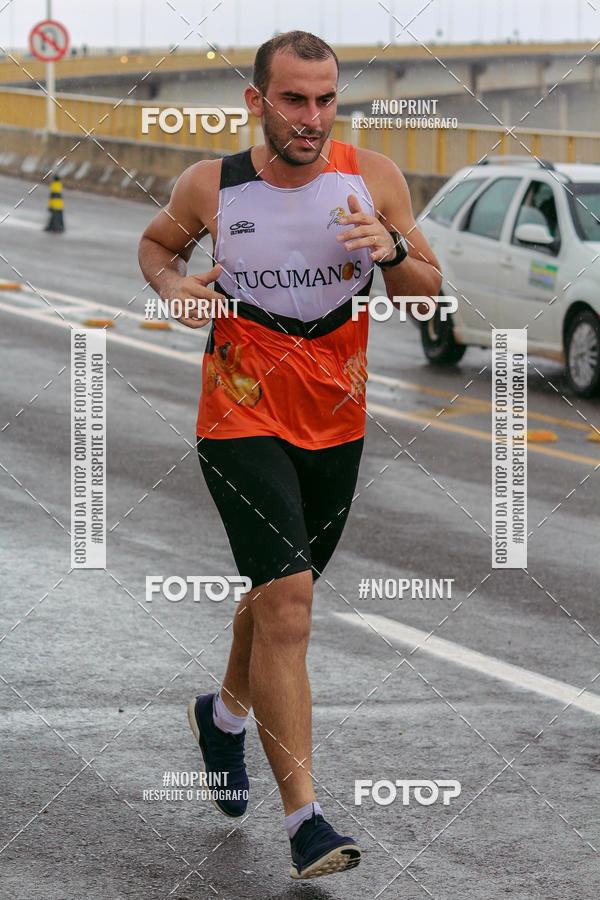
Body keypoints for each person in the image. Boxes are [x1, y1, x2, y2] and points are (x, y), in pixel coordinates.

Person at [138, 29, 441, 881]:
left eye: (325, 99)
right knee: (293, 606)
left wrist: (391, 251)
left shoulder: (372, 177)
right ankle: (306, 820)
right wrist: (175, 291)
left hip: (337, 419)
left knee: (278, 598)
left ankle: (224, 715)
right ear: (257, 101)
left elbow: (430, 285)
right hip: (238, 412)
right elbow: (157, 247)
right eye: (294, 99)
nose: (311, 118)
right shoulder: (213, 186)